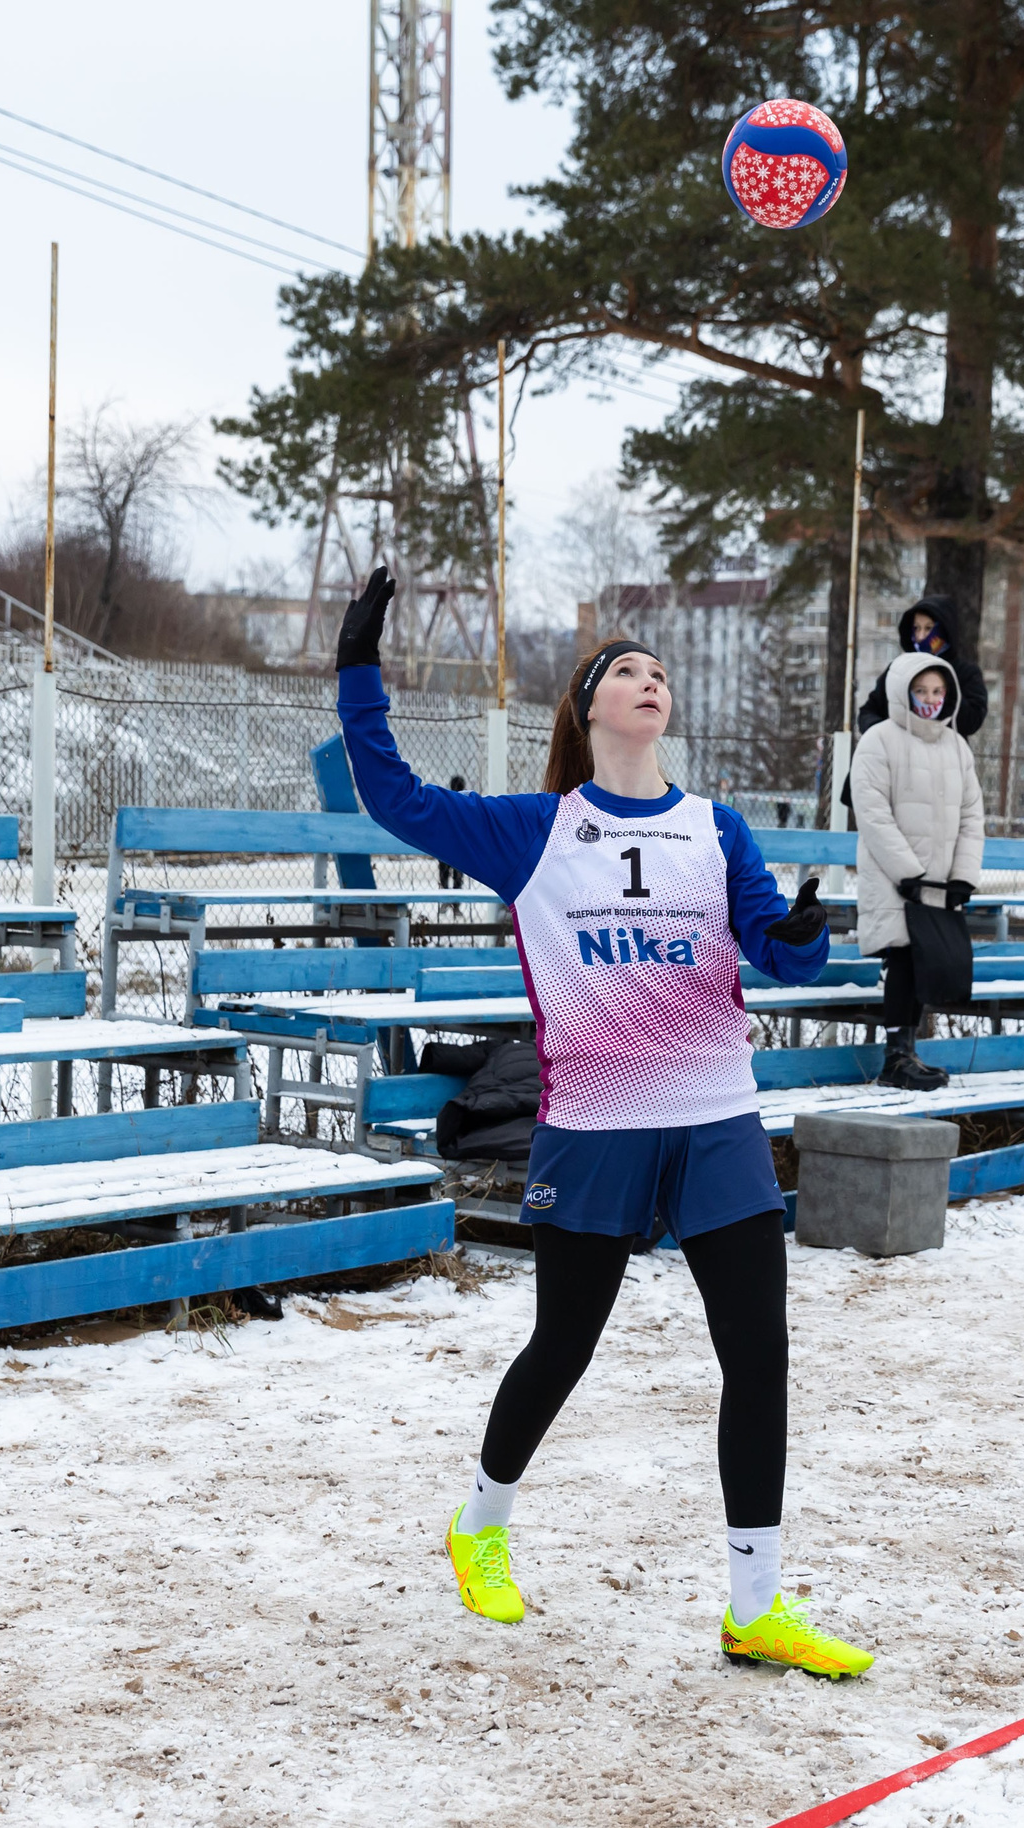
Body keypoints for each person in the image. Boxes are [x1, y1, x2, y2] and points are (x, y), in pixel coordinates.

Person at [331, 565, 874, 1680]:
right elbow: (388, 796)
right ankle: (480, 1522)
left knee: (758, 1355)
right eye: (625, 670)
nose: (648, 680)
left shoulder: (716, 832)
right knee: (564, 1345)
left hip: (717, 1117)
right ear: (587, 709)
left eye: (659, 672)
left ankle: (753, 1607)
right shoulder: (537, 829)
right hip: (596, 1123)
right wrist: (356, 670)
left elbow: (777, 950)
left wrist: (809, 933)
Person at [850, 655, 984, 1090]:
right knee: (903, 959)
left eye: (937, 692)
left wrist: (962, 875)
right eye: (921, 691)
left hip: (938, 882)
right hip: (894, 879)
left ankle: (909, 1052)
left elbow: (971, 814)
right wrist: (908, 872)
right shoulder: (879, 740)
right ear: (903, 691)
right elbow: (872, 813)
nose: (930, 699)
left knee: (925, 961)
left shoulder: (956, 746)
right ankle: (894, 1058)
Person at [853, 593, 989, 739]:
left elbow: (972, 721)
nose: (920, 636)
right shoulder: (899, 669)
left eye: (928, 628)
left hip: (945, 757)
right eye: (916, 628)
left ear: (945, 629)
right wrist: (886, 736)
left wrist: (946, 692)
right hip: (902, 756)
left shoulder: (965, 672)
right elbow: (869, 712)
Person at [439, 778, 468, 888]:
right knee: (458, 873)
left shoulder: (445, 801)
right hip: (459, 845)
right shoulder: (465, 802)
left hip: (445, 845)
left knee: (444, 871)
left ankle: (445, 889)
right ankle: (455, 901)